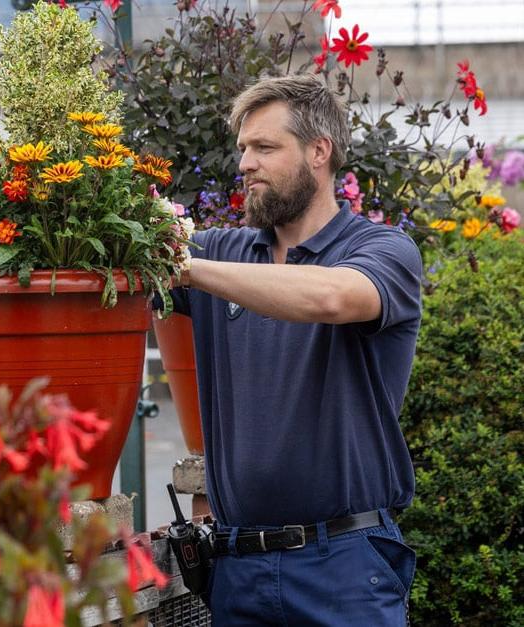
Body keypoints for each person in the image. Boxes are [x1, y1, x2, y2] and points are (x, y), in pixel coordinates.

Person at [164, 74, 422, 625]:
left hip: (345, 566)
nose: (245, 164)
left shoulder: (382, 250)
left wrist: (190, 271)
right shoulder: (222, 251)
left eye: (264, 147)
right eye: (242, 149)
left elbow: (331, 297)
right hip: (237, 569)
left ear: (318, 152)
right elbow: (115, 265)